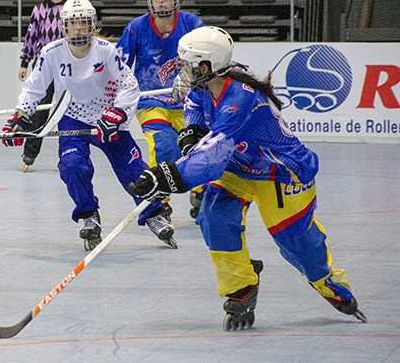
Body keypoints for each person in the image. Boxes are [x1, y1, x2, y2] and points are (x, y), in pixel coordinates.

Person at [129, 26, 366, 330]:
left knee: (297, 244)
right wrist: (191, 134)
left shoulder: (239, 98)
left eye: (188, 64)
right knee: (213, 214)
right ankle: (241, 287)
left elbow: (212, 158)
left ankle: (331, 287)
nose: (183, 71)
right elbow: (195, 109)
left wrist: (165, 176)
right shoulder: (207, 83)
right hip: (239, 166)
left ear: (207, 65)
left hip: (281, 173)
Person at [3, 0, 177, 251]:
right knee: (73, 167)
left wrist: (117, 113)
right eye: (73, 24)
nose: (78, 29)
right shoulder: (51, 53)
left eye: (84, 23)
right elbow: (33, 89)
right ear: (64, 26)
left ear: (92, 24)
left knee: (133, 170)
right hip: (72, 118)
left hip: (108, 119)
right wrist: (20, 118)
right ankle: (88, 215)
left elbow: (129, 85)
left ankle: (153, 213)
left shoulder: (106, 51)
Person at [117, 0, 205, 218]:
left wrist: (189, 73)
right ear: (150, 0)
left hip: (189, 101)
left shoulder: (193, 25)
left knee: (198, 145)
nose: (163, 2)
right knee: (165, 143)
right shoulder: (136, 29)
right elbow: (119, 67)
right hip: (150, 100)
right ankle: (160, 196)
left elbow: (209, 55)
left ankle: (200, 191)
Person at [16, 0, 68, 172]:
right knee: (39, 111)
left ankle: (68, 152)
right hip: (44, 65)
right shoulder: (38, 10)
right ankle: (29, 155)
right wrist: (24, 62)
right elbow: (31, 38)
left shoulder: (72, 7)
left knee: (67, 109)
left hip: (67, 65)